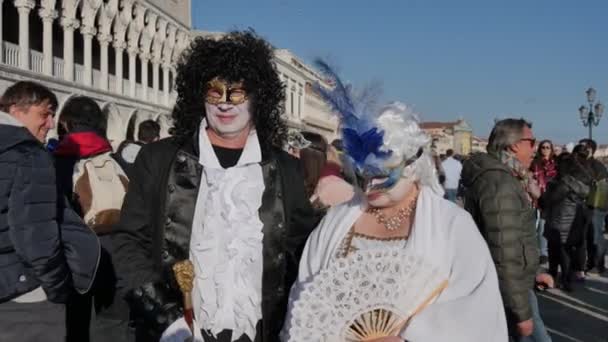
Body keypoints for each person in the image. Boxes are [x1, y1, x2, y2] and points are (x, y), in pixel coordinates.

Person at [111, 31, 320, 342]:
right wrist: (166, 319)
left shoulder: (285, 169)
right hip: (177, 331)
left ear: (257, 98)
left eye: (236, 93)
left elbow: (304, 252)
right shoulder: (159, 159)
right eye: (214, 92)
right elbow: (128, 243)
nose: (224, 104)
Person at [282, 63, 507, 342]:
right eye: (362, 174)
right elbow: (306, 296)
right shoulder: (337, 221)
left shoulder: (453, 226)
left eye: (381, 174)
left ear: (412, 165)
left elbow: (477, 311)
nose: (369, 186)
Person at [0, 81, 100, 341]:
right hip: (23, 297)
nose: (51, 123)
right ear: (15, 110)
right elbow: (36, 238)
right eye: (44, 114)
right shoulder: (28, 155)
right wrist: (57, 287)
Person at [462, 118, 554, 342]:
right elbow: (504, 251)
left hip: (515, 283)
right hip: (511, 290)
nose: (535, 148)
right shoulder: (499, 183)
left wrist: (534, 273)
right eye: (531, 142)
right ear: (514, 145)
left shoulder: (505, 176)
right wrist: (520, 313)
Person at [54, 95, 129, 342]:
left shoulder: (57, 162)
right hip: (117, 253)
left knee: (76, 325)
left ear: (65, 124)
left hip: (77, 256)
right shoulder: (118, 161)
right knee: (114, 324)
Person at [540, 146, 593, 292]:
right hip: (571, 222)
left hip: (558, 220)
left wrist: (544, 192)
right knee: (566, 252)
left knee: (556, 251)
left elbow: (550, 199)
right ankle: (566, 278)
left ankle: (556, 276)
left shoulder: (564, 182)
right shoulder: (580, 182)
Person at [578, 138, 608, 274]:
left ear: (591, 149)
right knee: (587, 236)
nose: (581, 149)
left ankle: (598, 264)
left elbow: (601, 187)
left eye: (584, 147)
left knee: (596, 235)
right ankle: (590, 263)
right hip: (583, 204)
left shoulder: (597, 166)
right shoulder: (579, 163)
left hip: (596, 205)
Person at [531, 140, 558, 264]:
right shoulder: (535, 163)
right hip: (539, 198)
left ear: (551, 149)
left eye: (548, 147)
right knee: (540, 226)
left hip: (554, 199)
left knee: (551, 226)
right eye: (543, 147)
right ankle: (542, 253)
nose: (545, 149)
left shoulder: (556, 163)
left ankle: (550, 250)